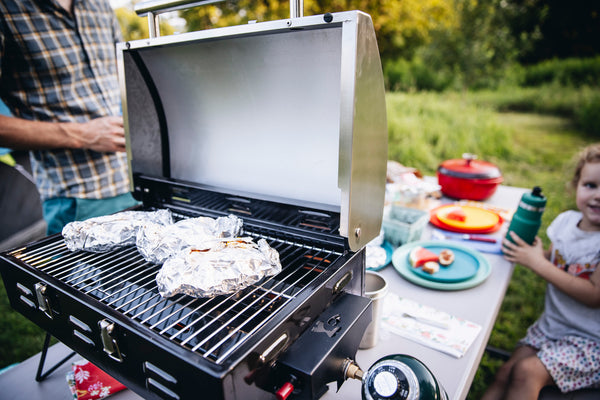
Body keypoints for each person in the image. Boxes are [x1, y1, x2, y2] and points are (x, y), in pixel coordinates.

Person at [0, 0, 138, 235]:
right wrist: (84, 135)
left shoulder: (99, 5)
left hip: (135, 181)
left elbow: (123, 76)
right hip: (76, 197)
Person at [482, 143, 600, 399]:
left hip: (591, 342)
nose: (598, 195)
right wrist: (532, 252)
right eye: (591, 185)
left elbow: (593, 294)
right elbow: (557, 260)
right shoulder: (566, 222)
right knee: (506, 373)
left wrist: (537, 262)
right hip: (552, 328)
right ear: (576, 186)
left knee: (527, 372)